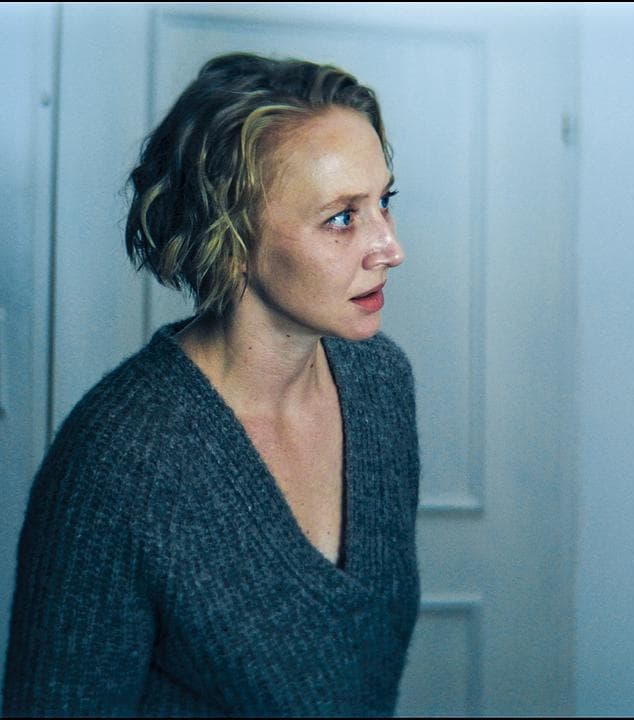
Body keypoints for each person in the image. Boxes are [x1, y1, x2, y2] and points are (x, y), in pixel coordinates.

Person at [4, 53, 419, 715]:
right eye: (342, 217)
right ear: (232, 234)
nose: (390, 248)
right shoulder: (118, 461)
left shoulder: (380, 385)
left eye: (384, 202)